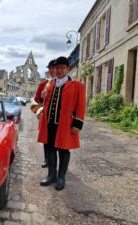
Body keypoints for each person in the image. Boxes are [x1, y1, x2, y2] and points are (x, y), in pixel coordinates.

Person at [38, 56, 86, 190]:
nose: (59, 70)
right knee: (51, 149)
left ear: (67, 69)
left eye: (62, 68)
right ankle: (51, 175)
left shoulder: (77, 86)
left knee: (64, 150)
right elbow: (44, 104)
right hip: (50, 124)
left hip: (65, 124)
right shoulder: (50, 84)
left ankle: (61, 177)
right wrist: (43, 98)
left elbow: (81, 106)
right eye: (57, 68)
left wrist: (77, 124)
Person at [34, 59, 57, 168]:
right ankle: (46, 159)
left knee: (56, 139)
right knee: (45, 138)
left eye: (54, 68)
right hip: (45, 115)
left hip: (57, 116)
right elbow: (36, 99)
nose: (52, 70)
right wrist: (41, 98)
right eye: (50, 68)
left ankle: (54, 160)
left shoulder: (63, 83)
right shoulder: (44, 83)